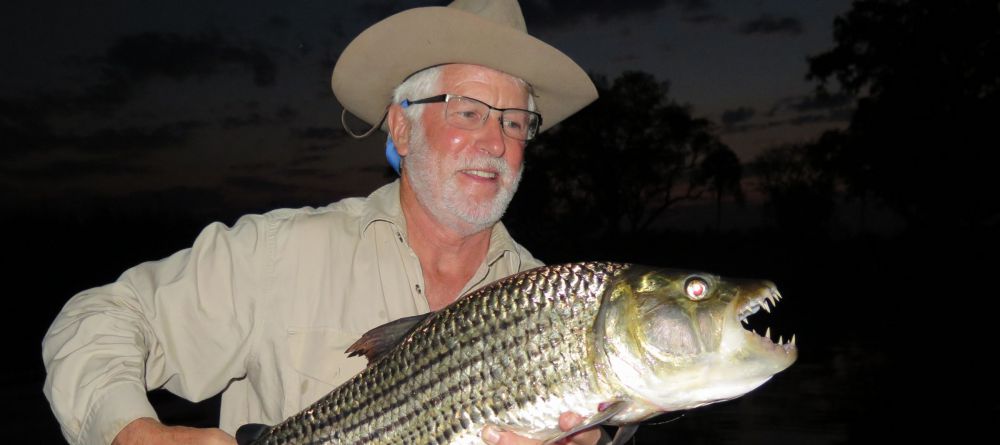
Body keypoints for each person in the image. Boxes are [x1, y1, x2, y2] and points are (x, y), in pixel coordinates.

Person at [42, 1, 602, 444]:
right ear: (402, 130)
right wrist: (134, 435)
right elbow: (99, 319)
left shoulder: (551, 303)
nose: (494, 142)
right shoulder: (282, 252)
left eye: (514, 121)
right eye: (468, 112)